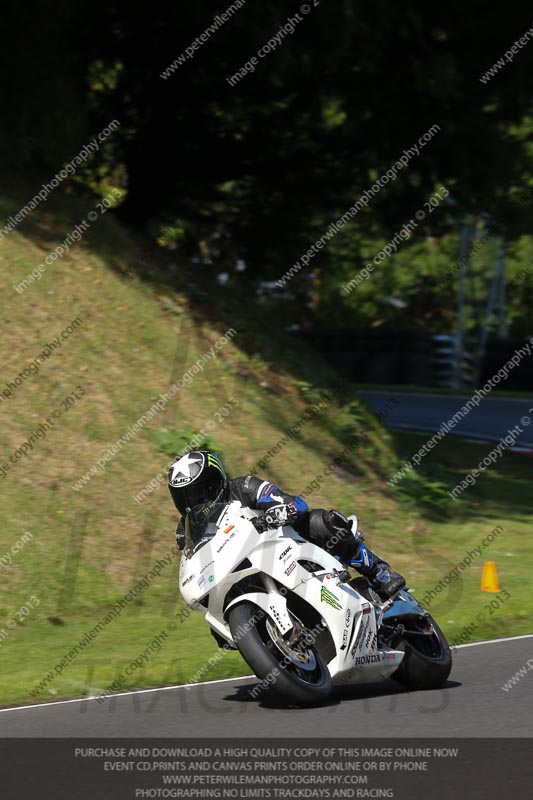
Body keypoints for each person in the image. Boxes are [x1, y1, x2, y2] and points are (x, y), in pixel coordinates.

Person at [168, 450, 405, 599]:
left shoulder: (244, 487)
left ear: (215, 482)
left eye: (198, 493)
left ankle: (378, 571)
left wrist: (279, 512)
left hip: (287, 546)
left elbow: (294, 503)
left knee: (320, 521)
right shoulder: (186, 530)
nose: (193, 502)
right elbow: (194, 561)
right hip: (246, 572)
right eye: (185, 497)